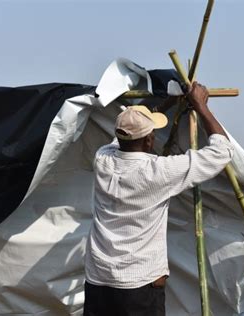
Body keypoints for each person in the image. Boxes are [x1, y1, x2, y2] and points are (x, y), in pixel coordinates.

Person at [83, 82, 234, 316]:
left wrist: (169, 102)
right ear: (150, 141)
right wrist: (201, 106)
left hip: (99, 280)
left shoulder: (103, 159)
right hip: (138, 285)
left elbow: (127, 136)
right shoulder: (157, 172)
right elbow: (221, 152)